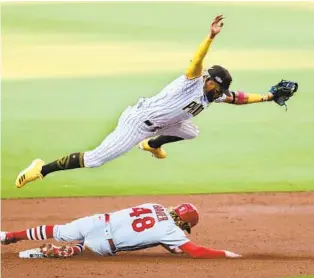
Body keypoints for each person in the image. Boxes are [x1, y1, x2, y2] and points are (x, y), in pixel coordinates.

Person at [15, 15, 297, 188]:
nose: (213, 87)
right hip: (138, 122)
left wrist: (270, 96)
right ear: (208, 80)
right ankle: (41, 169)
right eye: (212, 83)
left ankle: (152, 144)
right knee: (96, 159)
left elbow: (238, 98)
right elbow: (197, 61)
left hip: (163, 125)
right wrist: (209, 37)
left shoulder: (214, 94)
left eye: (216, 85)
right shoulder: (191, 81)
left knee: (191, 131)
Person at [1, 202, 240, 259]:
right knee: (83, 249)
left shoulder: (154, 205)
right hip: (105, 243)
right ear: (183, 223)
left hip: (96, 221)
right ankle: (58, 252)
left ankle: (8, 236)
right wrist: (226, 254)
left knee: (58, 229)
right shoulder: (172, 233)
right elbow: (194, 251)